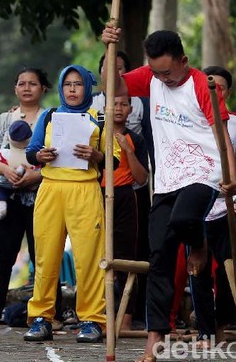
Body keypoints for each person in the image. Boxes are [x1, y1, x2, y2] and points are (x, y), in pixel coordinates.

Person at [101, 27, 236, 361]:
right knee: (159, 254)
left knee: (185, 218)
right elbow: (111, 86)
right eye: (157, 72)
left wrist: (230, 174)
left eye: (169, 73)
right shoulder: (150, 77)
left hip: (204, 172)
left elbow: (221, 132)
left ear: (184, 61)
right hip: (166, 179)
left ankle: (199, 244)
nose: (163, 79)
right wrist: (109, 47)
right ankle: (154, 339)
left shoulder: (202, 87)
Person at [23, 64, 121, 343]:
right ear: (61, 88)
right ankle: (41, 317)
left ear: (88, 87)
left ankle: (92, 319)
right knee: (45, 256)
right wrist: (40, 155)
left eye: (78, 84)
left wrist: (95, 155)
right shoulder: (50, 115)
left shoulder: (100, 117)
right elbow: (31, 152)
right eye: (68, 85)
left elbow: (113, 160)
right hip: (50, 189)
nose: (73, 89)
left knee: (89, 258)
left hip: (85, 189)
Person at [0, 67, 49, 330]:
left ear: (43, 88)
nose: (27, 88)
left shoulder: (50, 118)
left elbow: (59, 158)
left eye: (33, 83)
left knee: (41, 254)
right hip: (6, 199)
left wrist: (36, 176)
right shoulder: (3, 119)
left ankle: (44, 313)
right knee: (3, 255)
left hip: (41, 196)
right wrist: (6, 170)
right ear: (15, 89)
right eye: (22, 83)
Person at [190, 66, 236, 342]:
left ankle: (224, 323)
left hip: (227, 207)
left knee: (231, 268)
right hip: (197, 207)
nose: (215, 92)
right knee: (199, 270)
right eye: (209, 86)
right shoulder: (190, 118)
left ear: (228, 92)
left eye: (220, 87)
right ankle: (204, 330)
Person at [103, 96, 148, 330]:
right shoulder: (96, 133)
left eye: (123, 104)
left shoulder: (136, 139)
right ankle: (96, 318)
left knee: (125, 259)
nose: (118, 109)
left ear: (130, 109)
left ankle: (126, 320)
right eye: (114, 104)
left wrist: (128, 151)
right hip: (96, 195)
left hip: (125, 197)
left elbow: (142, 178)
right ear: (104, 108)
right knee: (94, 257)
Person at [0, 121, 33, 220]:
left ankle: (2, 208)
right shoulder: (5, 151)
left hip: (32, 187)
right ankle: (2, 209)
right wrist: (6, 170)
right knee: (2, 191)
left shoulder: (33, 149)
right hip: (8, 181)